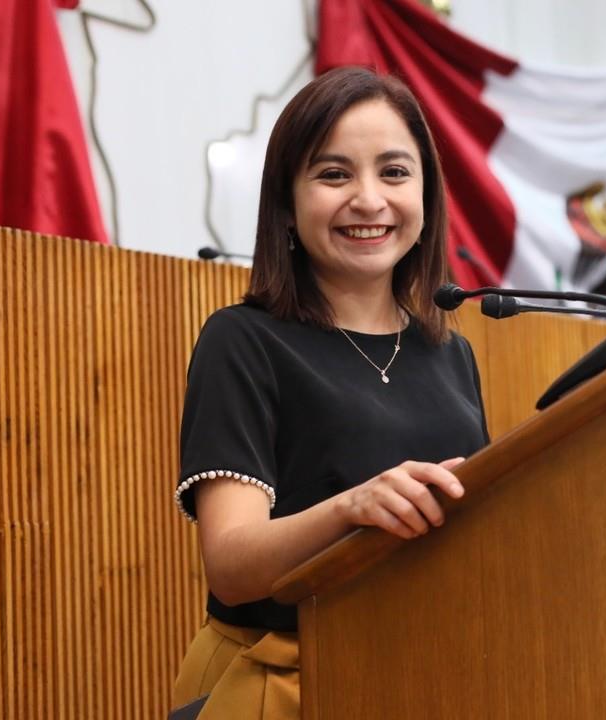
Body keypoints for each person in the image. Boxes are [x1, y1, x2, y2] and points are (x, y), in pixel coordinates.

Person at [169, 67, 488, 719]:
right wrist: (355, 508)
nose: (369, 200)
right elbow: (232, 565)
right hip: (287, 686)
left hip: (429, 677)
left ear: (427, 197)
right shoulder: (243, 340)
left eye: (395, 173)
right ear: (287, 202)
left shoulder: (451, 351)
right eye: (335, 174)